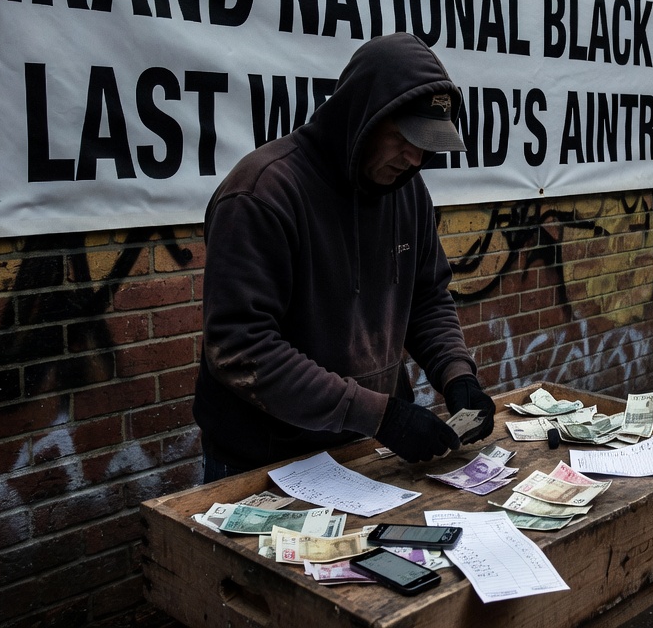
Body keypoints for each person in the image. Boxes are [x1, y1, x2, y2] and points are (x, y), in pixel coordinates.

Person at [194, 33, 496, 480]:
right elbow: (243, 348)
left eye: (427, 144)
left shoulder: (408, 192)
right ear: (363, 115)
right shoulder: (262, 193)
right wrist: (381, 415)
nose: (415, 157)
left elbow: (427, 298)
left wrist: (457, 375)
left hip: (363, 451)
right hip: (265, 462)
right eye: (405, 137)